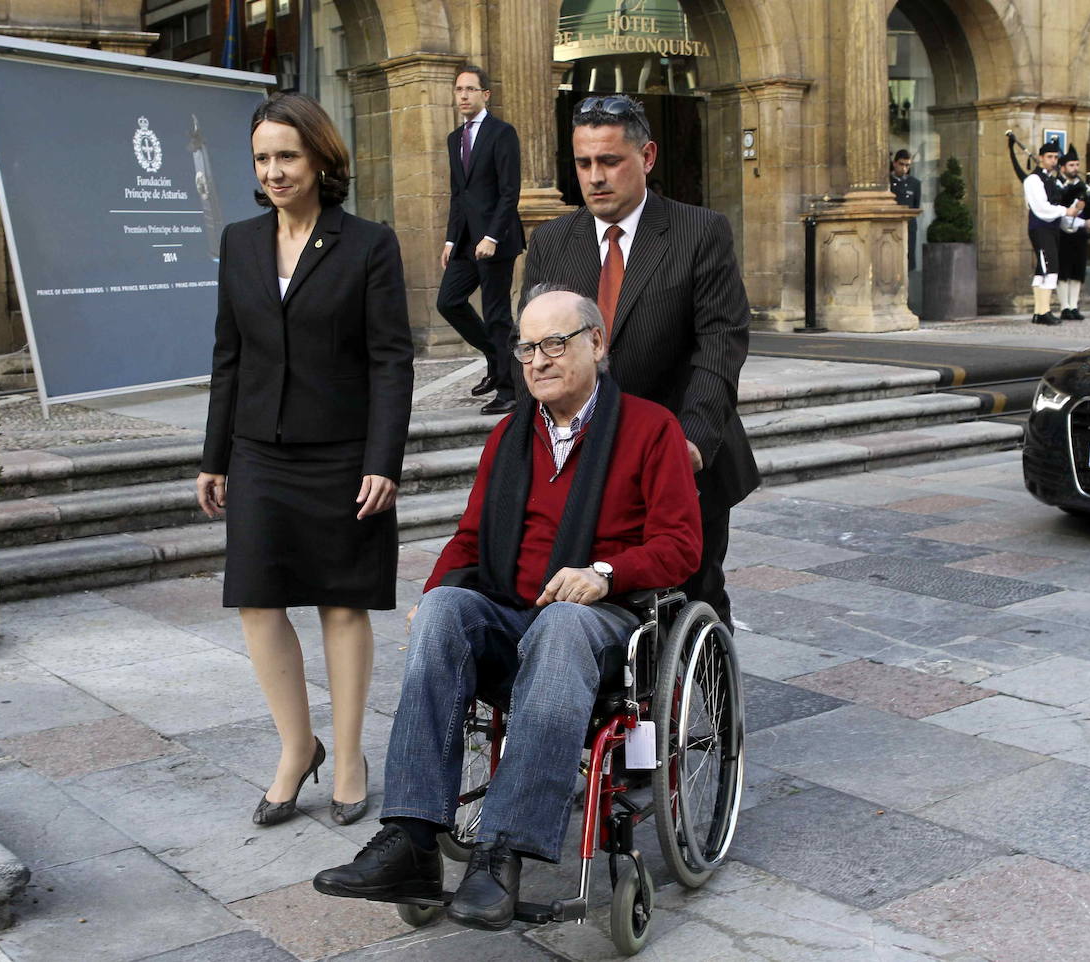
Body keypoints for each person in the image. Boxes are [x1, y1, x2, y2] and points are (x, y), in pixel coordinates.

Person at [312, 288, 702, 930]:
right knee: (443, 614)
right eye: (527, 348)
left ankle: (501, 854)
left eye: (556, 343)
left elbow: (681, 545)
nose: (539, 360)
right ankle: (411, 841)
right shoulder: (509, 437)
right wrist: (433, 596)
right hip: (510, 609)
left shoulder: (649, 429)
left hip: (602, 622)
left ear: (597, 344)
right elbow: (469, 539)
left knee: (563, 623)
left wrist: (604, 573)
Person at [196, 93, 414, 828]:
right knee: (257, 600)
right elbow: (228, 356)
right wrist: (213, 455)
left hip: (346, 454)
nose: (274, 170)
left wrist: (384, 458)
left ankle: (348, 755)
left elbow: (391, 359)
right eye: (262, 158)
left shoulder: (368, 244)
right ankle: (298, 749)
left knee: (341, 603)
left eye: (287, 155)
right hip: (259, 450)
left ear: (322, 158)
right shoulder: (239, 240)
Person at [518, 94, 758, 630]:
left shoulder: (700, 232)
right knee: (580, 600)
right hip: (583, 463)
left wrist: (690, 442)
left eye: (610, 161)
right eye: (584, 163)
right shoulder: (554, 242)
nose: (595, 177)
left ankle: (709, 707)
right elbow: (534, 356)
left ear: (646, 157)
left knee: (692, 598)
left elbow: (720, 344)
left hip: (681, 456)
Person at [436, 65, 525, 416]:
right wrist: (449, 240)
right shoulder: (454, 139)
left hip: (496, 242)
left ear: (485, 94)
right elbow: (459, 194)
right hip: (465, 242)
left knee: (497, 314)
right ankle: (495, 355)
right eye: (459, 89)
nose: (463, 95)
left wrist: (491, 236)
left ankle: (509, 390)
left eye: (471, 89)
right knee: (448, 301)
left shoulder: (502, 133)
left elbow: (509, 191)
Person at [1023, 140, 1080, 326]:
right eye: (1049, 157)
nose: (1053, 160)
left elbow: (1059, 201)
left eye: (1055, 157)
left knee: (1043, 270)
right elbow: (1041, 208)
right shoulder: (1033, 179)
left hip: (1052, 227)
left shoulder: (1052, 180)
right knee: (1050, 266)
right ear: (1041, 158)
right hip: (1040, 227)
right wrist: (1065, 211)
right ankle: (1044, 311)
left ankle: (1039, 312)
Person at [1055, 145, 1090, 320]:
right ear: (1063, 167)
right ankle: (1064, 306)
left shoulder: (1083, 186)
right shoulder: (1058, 185)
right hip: (1062, 233)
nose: (1075, 168)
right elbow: (1061, 212)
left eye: (1077, 164)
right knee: (1063, 271)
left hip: (1079, 234)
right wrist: (1078, 212)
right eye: (1071, 165)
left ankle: (1073, 306)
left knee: (1077, 271)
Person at [890, 149, 922, 271]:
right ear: (895, 163)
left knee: (908, 259)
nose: (904, 168)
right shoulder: (887, 182)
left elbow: (915, 206)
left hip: (908, 227)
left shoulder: (915, 183)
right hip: (891, 226)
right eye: (901, 164)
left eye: (907, 165)